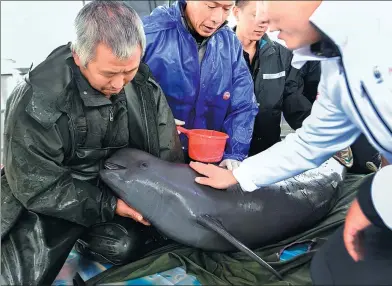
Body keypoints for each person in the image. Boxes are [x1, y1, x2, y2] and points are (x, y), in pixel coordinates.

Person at [189, 1, 392, 284]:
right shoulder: (335, 66)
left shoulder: (382, 29)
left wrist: (378, 198)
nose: (264, 20)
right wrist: (238, 175)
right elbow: (311, 142)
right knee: (332, 268)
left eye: (266, 3)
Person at [0, 2, 183, 285]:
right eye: (109, 74)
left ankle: (89, 240)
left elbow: (166, 154)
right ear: (78, 56)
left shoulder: (144, 86)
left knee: (131, 246)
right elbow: (36, 184)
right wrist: (110, 206)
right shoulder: (38, 100)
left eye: (129, 71)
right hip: (48, 202)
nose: (120, 84)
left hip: (114, 190)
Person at [142, 0, 259, 169]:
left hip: (207, 162)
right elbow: (121, 94)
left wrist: (234, 153)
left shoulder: (230, 44)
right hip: (153, 160)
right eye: (211, 6)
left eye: (226, 9)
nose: (217, 18)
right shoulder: (150, 33)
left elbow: (243, 104)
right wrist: (153, 120)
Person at [232, 0, 312, 155]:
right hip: (226, 154)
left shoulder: (282, 56)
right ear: (236, 13)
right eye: (255, 15)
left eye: (266, 17)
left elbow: (294, 102)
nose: (262, 24)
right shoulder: (216, 54)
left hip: (266, 153)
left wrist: (321, 132)